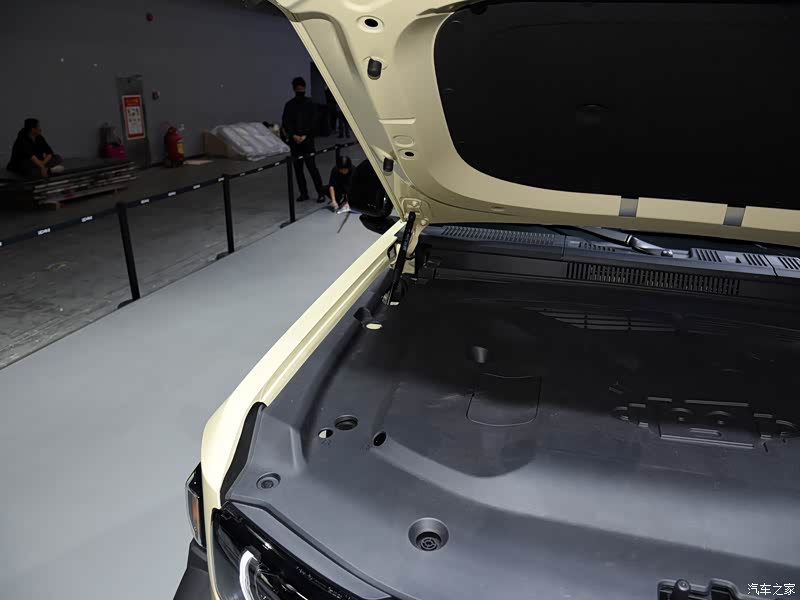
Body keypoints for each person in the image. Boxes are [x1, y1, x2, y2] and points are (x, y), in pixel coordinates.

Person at [281, 77, 325, 203]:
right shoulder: (290, 105)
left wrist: (305, 135)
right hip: (296, 142)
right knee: (298, 170)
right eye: (298, 88)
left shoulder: (309, 104)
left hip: (307, 141)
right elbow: (286, 122)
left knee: (312, 168)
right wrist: (294, 135)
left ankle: (320, 193)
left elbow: (314, 121)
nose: (300, 90)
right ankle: (304, 193)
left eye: (301, 88)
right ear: (294, 89)